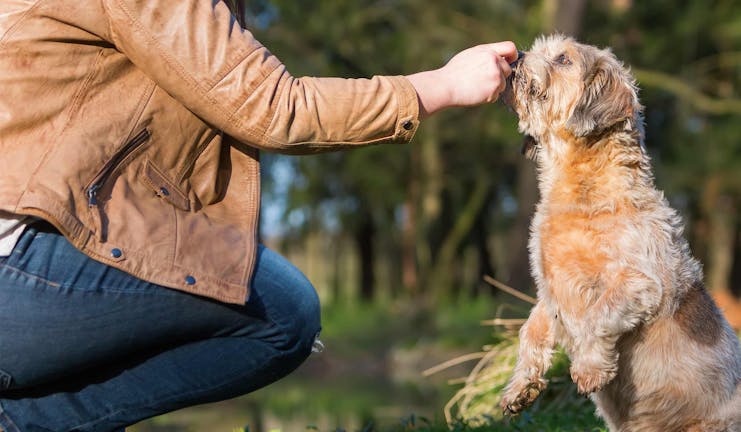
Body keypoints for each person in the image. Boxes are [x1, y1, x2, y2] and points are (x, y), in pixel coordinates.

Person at [0, 0, 517, 430]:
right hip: (17, 260)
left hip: (29, 256)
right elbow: (273, 108)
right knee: (280, 312)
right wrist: (441, 86)